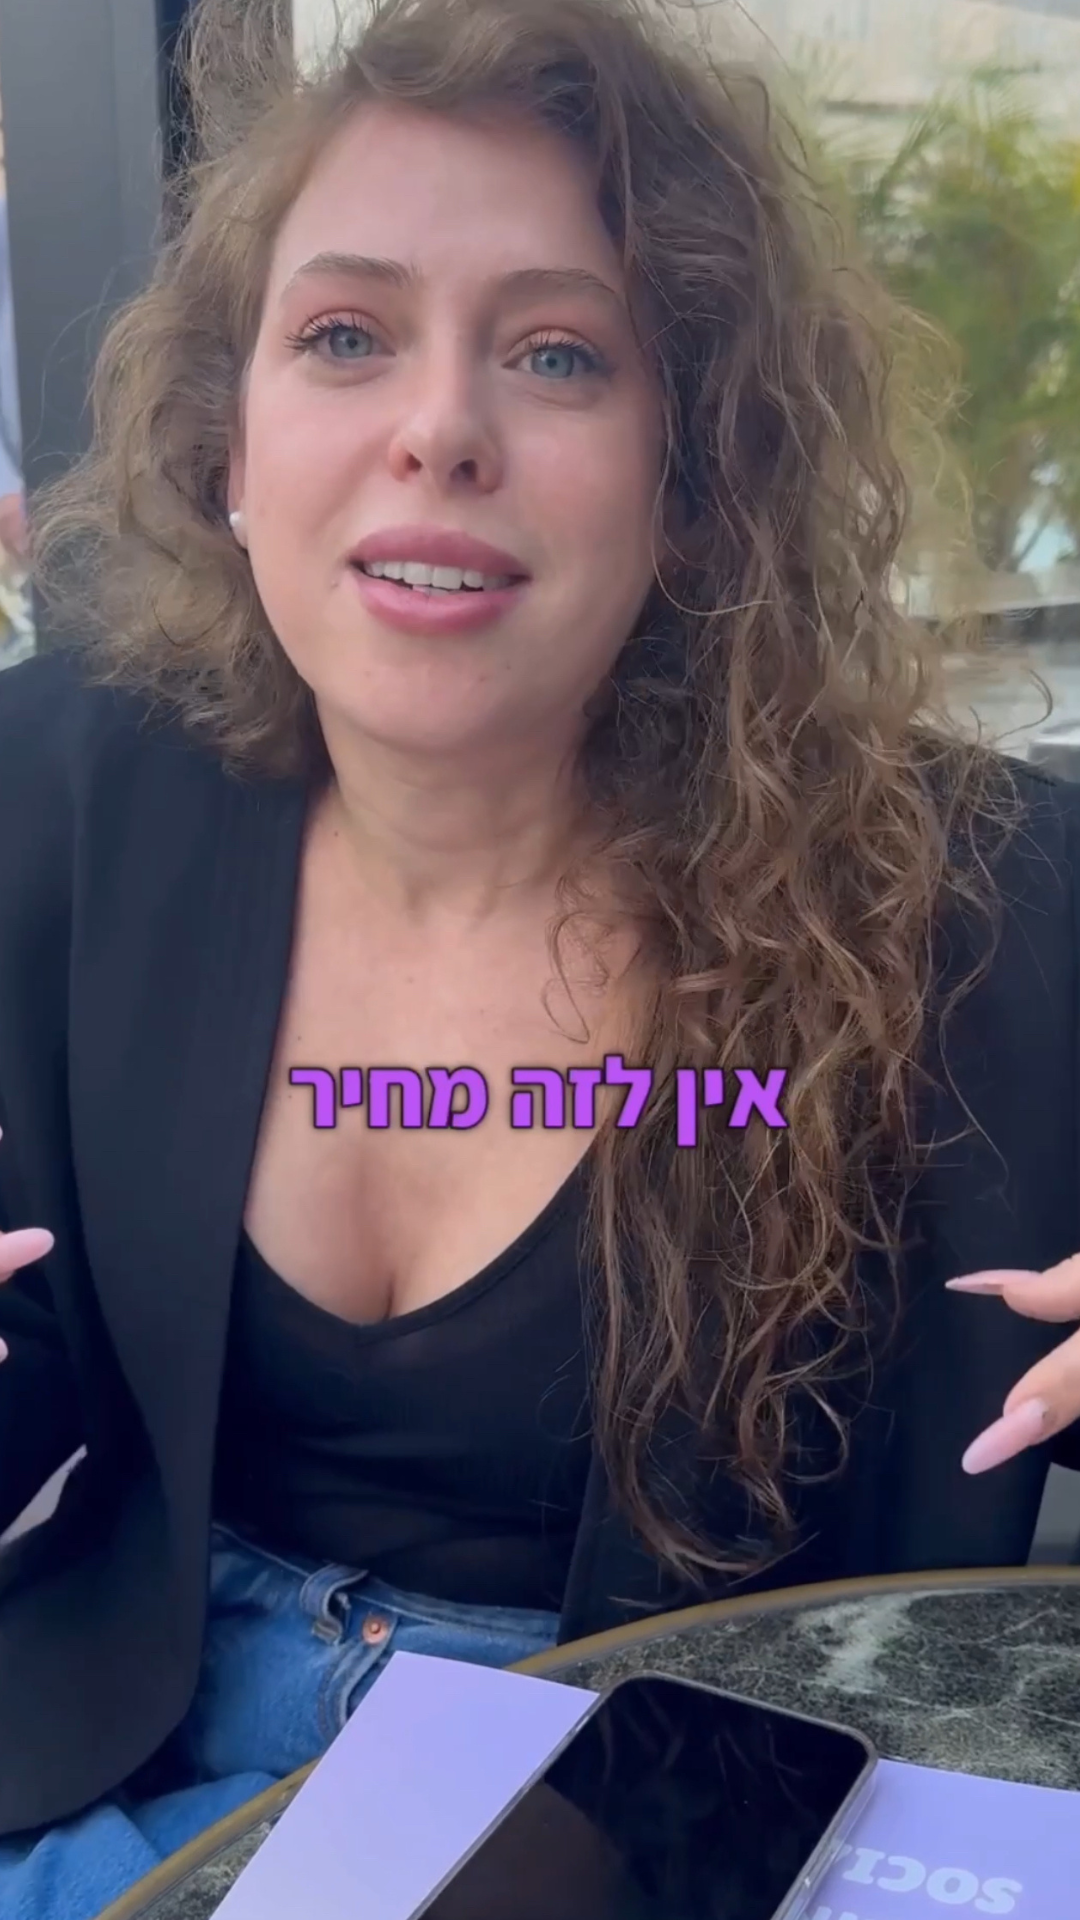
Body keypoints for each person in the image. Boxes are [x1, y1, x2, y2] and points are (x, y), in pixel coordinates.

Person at [1, 0, 1080, 1911]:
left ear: (695, 478)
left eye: (558, 354)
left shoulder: (977, 897)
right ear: (230, 444)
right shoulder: (65, 789)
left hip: (616, 1801)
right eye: (345, 335)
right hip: (95, 1745)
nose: (437, 428)